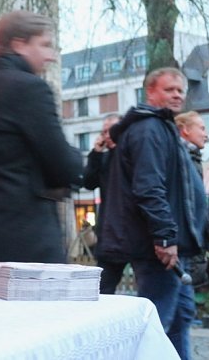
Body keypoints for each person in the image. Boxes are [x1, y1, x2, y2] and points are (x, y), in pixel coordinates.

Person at [0, 11, 82, 270]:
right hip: (26, 245)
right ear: (19, 44)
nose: (51, 55)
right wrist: (78, 162)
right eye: (44, 45)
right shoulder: (30, 89)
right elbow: (64, 166)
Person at [99, 67, 208, 360]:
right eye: (168, 89)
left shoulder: (162, 127)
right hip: (158, 249)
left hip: (171, 246)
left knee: (180, 316)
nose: (176, 95)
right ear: (150, 92)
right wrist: (164, 236)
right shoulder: (149, 129)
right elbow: (149, 187)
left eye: (180, 90)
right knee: (156, 325)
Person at [81, 113, 127, 294]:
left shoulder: (132, 156)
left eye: (111, 130)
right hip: (110, 232)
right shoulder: (103, 159)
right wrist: (95, 154)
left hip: (134, 233)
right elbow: (88, 182)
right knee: (103, 288)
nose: (107, 135)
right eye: (104, 131)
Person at [175, 110, 209, 290]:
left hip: (190, 243)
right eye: (202, 128)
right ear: (185, 130)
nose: (206, 134)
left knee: (186, 308)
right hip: (184, 244)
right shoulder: (181, 159)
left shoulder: (192, 157)